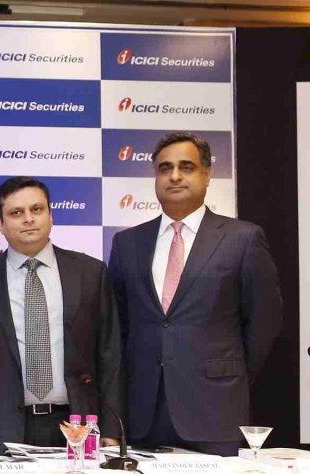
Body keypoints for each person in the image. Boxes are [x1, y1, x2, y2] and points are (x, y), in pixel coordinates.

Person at [108, 133, 282, 456]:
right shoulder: (127, 243)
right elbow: (118, 327)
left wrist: (226, 373)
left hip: (216, 409)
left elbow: (264, 322)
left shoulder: (242, 239)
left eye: (186, 167)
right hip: (143, 413)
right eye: (165, 168)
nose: (174, 176)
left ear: (207, 174)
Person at [0, 177, 123, 455]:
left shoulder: (90, 273)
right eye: (16, 212)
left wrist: (111, 429)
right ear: (0, 223)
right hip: (4, 427)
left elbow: (110, 354)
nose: (28, 219)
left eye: (37, 209)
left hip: (79, 424)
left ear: (51, 215)